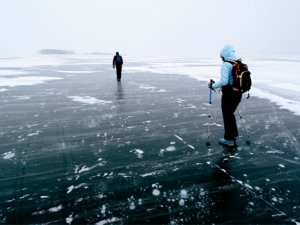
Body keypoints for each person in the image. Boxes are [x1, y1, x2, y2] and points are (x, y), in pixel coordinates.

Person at [208, 45, 242, 147]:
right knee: (230, 114)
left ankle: (229, 139)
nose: (221, 58)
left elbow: (224, 81)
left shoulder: (226, 64)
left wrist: (212, 86)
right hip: (238, 93)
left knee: (227, 116)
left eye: (221, 56)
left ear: (224, 55)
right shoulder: (237, 63)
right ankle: (234, 136)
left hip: (229, 94)